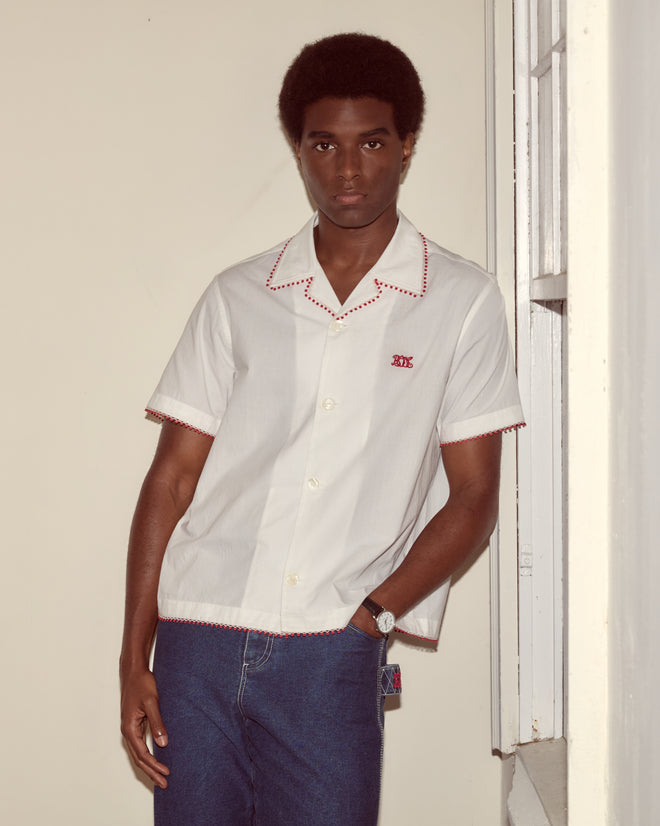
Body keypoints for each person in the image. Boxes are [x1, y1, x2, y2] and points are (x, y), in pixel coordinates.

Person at [120, 32, 524, 826]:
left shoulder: (462, 301)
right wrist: (135, 656)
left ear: (406, 146)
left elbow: (475, 498)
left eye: (371, 142)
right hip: (197, 640)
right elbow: (171, 479)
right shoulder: (238, 296)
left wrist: (374, 615)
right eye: (324, 145)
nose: (347, 170)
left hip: (330, 651)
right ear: (298, 150)